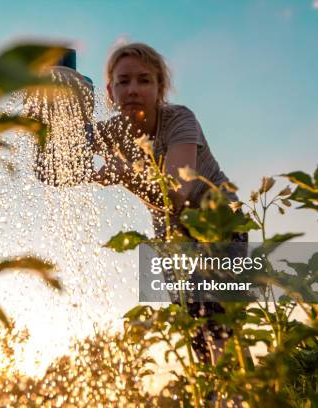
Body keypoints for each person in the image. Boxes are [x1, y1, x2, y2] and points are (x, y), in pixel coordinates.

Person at [93, 42, 247, 365]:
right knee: (196, 329)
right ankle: (234, 392)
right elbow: (64, 155)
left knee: (218, 321)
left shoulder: (180, 120)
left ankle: (238, 393)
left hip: (220, 224)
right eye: (123, 81)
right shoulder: (113, 133)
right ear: (110, 90)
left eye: (144, 80)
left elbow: (176, 195)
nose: (133, 89)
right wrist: (52, 108)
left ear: (160, 87)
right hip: (175, 242)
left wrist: (124, 175)